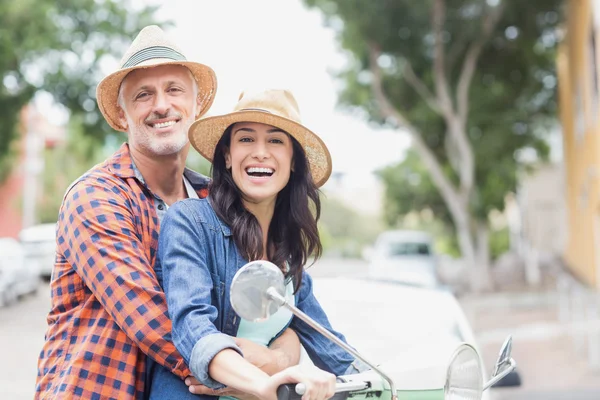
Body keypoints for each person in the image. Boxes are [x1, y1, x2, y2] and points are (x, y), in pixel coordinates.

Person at [34, 26, 302, 400]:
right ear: (123, 116)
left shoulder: (218, 201)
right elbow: (155, 321)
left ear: (196, 106)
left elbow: (269, 302)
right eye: (144, 95)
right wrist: (248, 370)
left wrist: (279, 355)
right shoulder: (96, 198)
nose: (161, 105)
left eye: (174, 90)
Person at [151, 89, 369, 400]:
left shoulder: (288, 255)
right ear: (227, 155)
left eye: (276, 141)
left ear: (293, 161)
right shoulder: (190, 222)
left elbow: (335, 350)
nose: (260, 152)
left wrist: (380, 382)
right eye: (246, 139)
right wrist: (262, 382)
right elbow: (192, 326)